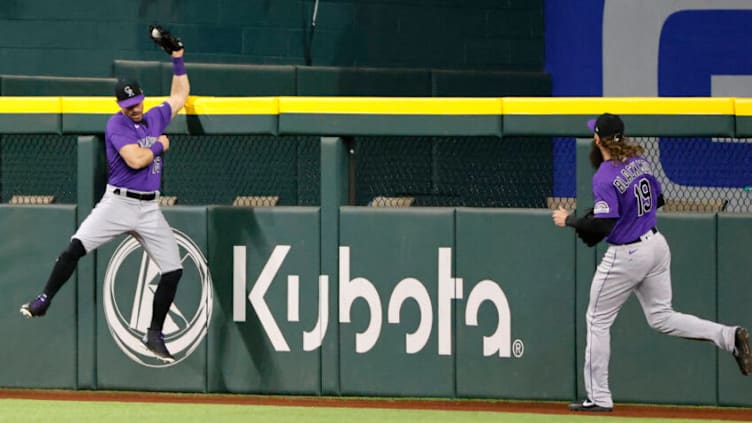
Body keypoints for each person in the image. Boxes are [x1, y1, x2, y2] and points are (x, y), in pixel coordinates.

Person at [552, 113, 752, 412]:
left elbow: (604, 227)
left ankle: (599, 397)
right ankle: (728, 336)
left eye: (594, 132)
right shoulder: (640, 163)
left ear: (597, 140)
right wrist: (607, 214)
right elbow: (657, 201)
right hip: (656, 245)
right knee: (662, 317)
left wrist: (571, 220)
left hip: (628, 254)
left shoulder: (604, 176)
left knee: (597, 320)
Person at [20, 39, 190, 364]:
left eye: (138, 102)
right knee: (75, 248)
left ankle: (154, 333)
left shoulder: (154, 117)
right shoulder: (117, 124)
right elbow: (137, 159)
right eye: (129, 106)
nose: (135, 109)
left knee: (173, 270)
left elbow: (180, 95)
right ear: (120, 106)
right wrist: (160, 147)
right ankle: (43, 299)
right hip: (119, 203)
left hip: (149, 207)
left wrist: (177, 57)